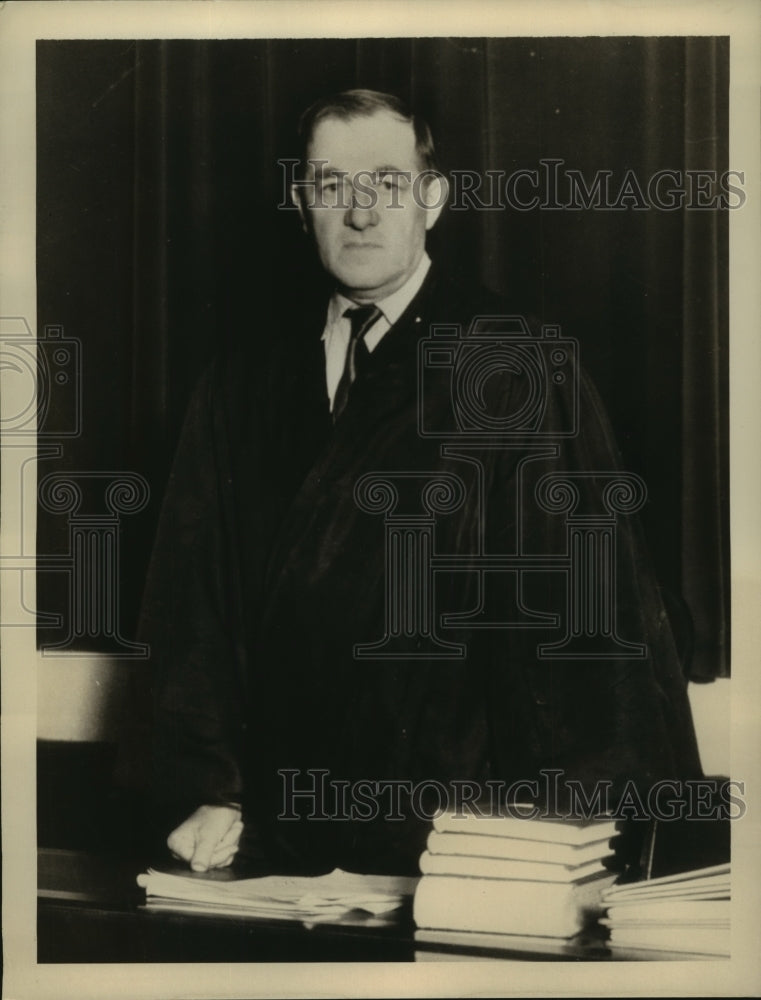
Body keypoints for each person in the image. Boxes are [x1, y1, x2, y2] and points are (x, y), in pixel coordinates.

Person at [140, 89, 703, 877]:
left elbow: (582, 630)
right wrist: (213, 790)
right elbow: (192, 602)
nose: (359, 213)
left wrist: (545, 851)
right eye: (331, 185)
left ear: (432, 201)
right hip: (273, 838)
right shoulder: (242, 380)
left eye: (387, 184)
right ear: (302, 202)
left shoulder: (513, 366)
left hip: (458, 842)